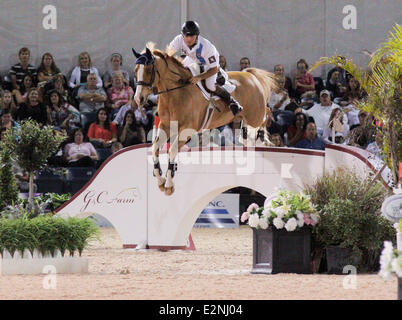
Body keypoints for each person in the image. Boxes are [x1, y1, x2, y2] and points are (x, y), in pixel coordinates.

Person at [168, 20, 243, 116]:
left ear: (197, 35)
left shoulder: (207, 47)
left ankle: (232, 102)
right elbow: (168, 54)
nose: (188, 39)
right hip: (192, 59)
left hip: (208, 65)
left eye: (191, 36)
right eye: (186, 36)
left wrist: (199, 77)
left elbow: (213, 69)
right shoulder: (179, 39)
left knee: (210, 85)